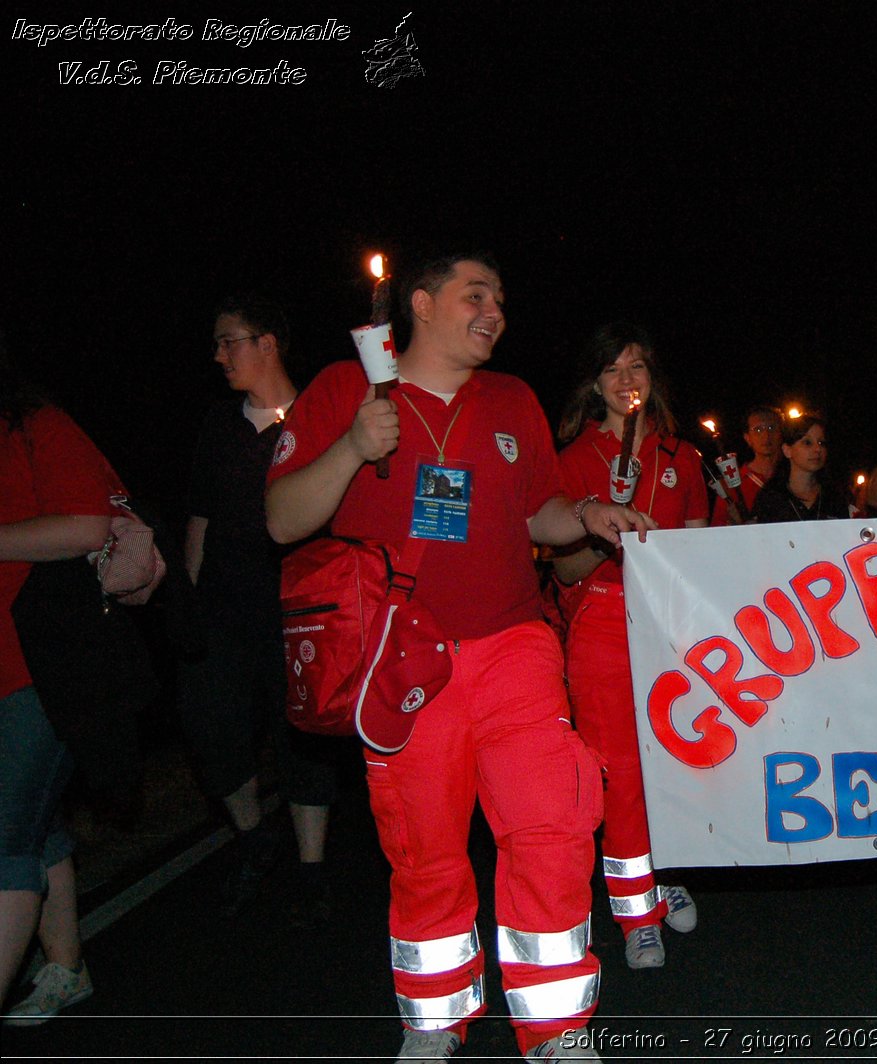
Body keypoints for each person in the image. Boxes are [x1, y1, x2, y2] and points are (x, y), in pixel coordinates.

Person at [265, 253, 655, 1062]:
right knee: (425, 845)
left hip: (516, 642)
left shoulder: (512, 400)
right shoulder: (348, 388)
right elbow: (279, 521)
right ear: (419, 303)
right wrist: (348, 448)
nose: (495, 311)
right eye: (475, 295)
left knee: (552, 822)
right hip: (403, 660)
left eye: (502, 299)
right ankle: (435, 1019)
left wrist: (586, 513)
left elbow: (536, 515)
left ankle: (556, 1028)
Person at [181, 296, 342, 925]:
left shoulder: (316, 418)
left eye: (230, 341)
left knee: (300, 737)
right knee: (209, 728)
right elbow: (200, 517)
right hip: (222, 612)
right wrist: (190, 601)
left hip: (297, 611)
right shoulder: (219, 427)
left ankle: (310, 868)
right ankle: (255, 838)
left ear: (267, 343)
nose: (219, 355)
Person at [551, 323, 705, 971]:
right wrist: (600, 521)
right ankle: (635, 907)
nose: (625, 380)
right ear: (594, 384)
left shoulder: (683, 459)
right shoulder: (571, 458)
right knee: (620, 766)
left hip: (669, 628)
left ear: (652, 379)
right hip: (602, 626)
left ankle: (667, 870)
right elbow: (561, 572)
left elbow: (699, 553)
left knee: (674, 757)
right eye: (612, 369)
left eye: (636, 367)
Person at [0, 343, 115, 1026]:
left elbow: (87, 524)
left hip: (41, 669)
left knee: (4, 838)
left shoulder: (40, 425)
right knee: (35, 827)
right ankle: (65, 967)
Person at [750, 413, 854, 522]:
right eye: (807, 443)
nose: (817, 449)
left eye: (821, 443)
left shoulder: (834, 496)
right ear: (787, 450)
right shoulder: (771, 498)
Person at [709, 405, 782, 525]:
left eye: (771, 428)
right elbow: (718, 530)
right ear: (748, 438)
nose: (766, 435)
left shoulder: (792, 477)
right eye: (758, 430)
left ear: (781, 433)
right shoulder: (732, 484)